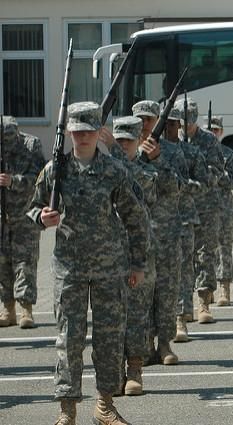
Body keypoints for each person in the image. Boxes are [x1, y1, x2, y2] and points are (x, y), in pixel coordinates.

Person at [27, 102, 150, 425]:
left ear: (98, 133)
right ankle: (67, 409)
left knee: (109, 338)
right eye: (76, 131)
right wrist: (43, 218)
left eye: (87, 131)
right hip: (69, 268)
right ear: (68, 132)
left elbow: (137, 218)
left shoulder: (113, 171)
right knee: (69, 339)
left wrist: (138, 263)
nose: (81, 137)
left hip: (111, 267)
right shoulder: (56, 170)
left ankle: (105, 405)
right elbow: (32, 208)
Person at [100, 115, 158, 396]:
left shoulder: (147, 172)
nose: (122, 145)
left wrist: (111, 149)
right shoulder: (104, 169)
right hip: (109, 252)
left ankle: (135, 369)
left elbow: (132, 182)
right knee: (112, 314)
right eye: (118, 139)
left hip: (137, 250)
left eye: (127, 141)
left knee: (136, 311)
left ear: (139, 142)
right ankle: (115, 372)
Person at [133, 100, 187, 365]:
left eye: (148, 118)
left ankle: (165, 343)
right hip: (136, 233)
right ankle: (143, 346)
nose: (144, 124)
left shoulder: (172, 152)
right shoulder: (124, 151)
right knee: (141, 293)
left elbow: (178, 188)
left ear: (157, 121)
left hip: (166, 230)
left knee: (166, 290)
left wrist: (158, 159)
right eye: (139, 118)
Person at [165, 106, 212, 340]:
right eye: (164, 124)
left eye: (173, 124)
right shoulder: (151, 152)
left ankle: (180, 319)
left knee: (183, 269)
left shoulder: (190, 153)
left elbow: (204, 184)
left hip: (183, 218)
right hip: (154, 221)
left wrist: (181, 185)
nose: (168, 128)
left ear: (180, 126)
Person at [176, 99, 225, 323]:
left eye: (189, 121)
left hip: (206, 204)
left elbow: (216, 170)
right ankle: (183, 307)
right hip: (181, 207)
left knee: (206, 254)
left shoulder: (208, 141)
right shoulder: (171, 140)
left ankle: (203, 303)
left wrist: (197, 180)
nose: (185, 126)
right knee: (183, 258)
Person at [0, 116, 45, 329]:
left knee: (25, 263)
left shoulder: (31, 145)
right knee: (2, 263)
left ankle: (26, 310)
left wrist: (12, 181)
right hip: (2, 217)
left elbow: (39, 179)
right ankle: (8, 310)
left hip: (25, 215)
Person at [208, 116, 233, 306]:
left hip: (225, 209)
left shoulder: (228, 154)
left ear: (220, 132)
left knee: (224, 250)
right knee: (205, 252)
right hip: (206, 208)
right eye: (210, 130)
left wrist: (219, 174)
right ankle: (207, 288)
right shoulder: (200, 153)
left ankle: (224, 289)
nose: (213, 133)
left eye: (216, 130)